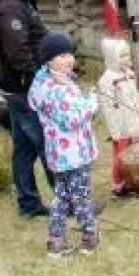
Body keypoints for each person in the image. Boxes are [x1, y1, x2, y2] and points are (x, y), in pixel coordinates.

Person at [0, 0, 53, 219]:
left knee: (24, 149)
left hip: (20, 88)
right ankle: (70, 202)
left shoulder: (20, 3)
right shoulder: (10, 8)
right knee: (48, 143)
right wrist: (41, 81)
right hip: (26, 90)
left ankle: (28, 204)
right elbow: (18, 54)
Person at [28, 33, 100, 258]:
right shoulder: (57, 89)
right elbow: (71, 120)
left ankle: (55, 241)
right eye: (61, 55)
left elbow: (37, 97)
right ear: (48, 60)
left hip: (59, 155)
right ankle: (89, 238)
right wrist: (91, 105)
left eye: (70, 53)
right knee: (80, 197)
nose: (68, 59)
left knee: (62, 197)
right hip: (74, 154)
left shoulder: (46, 81)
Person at [98, 38, 139, 196]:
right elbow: (108, 108)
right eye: (122, 56)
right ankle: (118, 183)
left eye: (127, 55)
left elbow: (134, 98)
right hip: (120, 124)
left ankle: (129, 180)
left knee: (130, 152)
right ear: (112, 58)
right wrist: (115, 131)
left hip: (130, 120)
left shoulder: (127, 74)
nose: (127, 59)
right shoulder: (107, 81)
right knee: (121, 154)